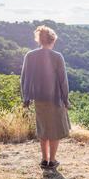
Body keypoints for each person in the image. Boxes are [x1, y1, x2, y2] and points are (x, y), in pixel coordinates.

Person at [21, 25, 71, 169]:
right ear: (52, 40)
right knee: (54, 130)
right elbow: (63, 81)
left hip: (39, 99)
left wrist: (26, 98)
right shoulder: (57, 57)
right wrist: (66, 100)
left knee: (43, 129)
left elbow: (25, 78)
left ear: (39, 40)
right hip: (55, 99)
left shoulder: (30, 56)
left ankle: (44, 159)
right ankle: (52, 160)